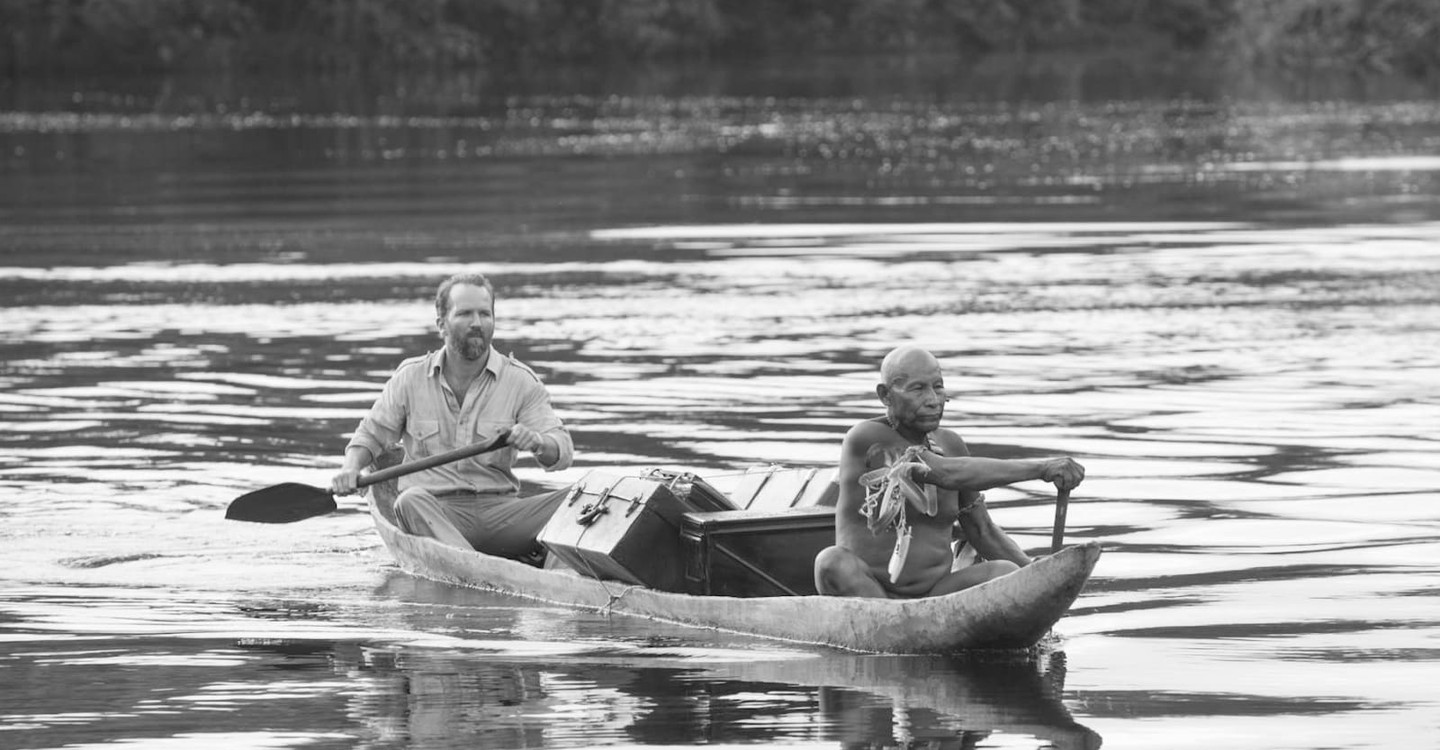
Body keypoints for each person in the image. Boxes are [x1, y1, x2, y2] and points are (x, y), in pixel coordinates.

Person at [330, 272, 573, 562]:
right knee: (408, 500)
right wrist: (350, 469)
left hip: (500, 515)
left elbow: (562, 451)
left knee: (583, 496)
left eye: (485, 314)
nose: (477, 323)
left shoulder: (521, 381)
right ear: (441, 325)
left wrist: (537, 442)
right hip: (432, 511)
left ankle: (534, 568)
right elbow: (370, 436)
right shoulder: (410, 378)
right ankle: (479, 567)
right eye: (465, 314)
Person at [814, 345, 1085, 599]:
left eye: (938, 387)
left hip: (935, 599)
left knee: (1004, 571)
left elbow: (982, 530)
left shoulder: (951, 444)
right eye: (917, 389)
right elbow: (944, 473)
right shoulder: (867, 438)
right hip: (868, 594)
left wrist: (1039, 575)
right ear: (885, 395)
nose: (933, 400)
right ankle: (891, 632)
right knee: (831, 561)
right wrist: (1042, 468)